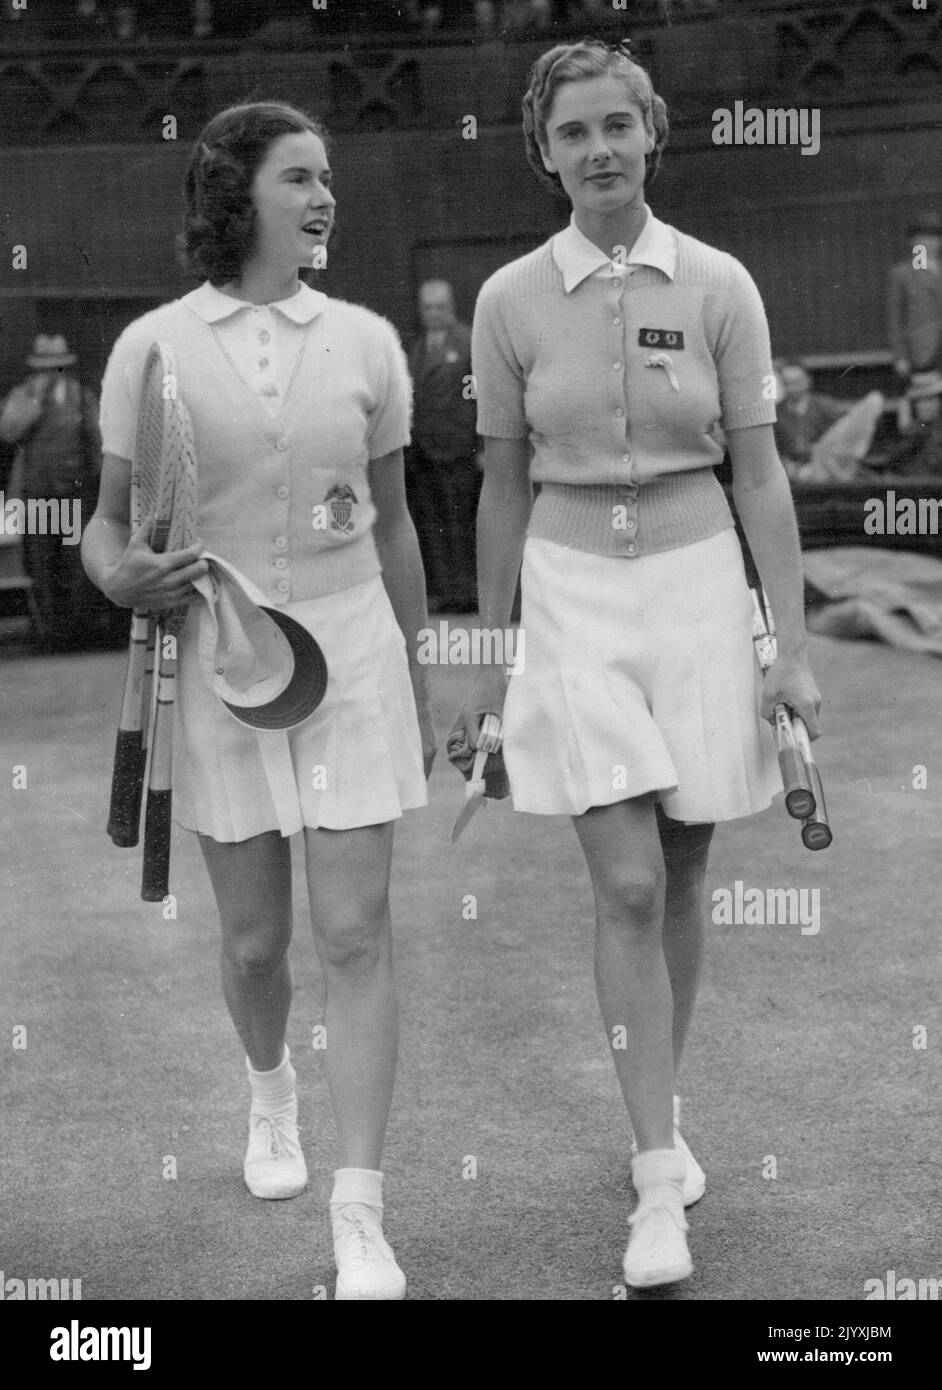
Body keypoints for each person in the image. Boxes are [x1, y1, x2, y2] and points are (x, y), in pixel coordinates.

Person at [458, 38, 821, 1290]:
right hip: (569, 595)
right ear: (543, 152)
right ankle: (658, 1176)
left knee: (681, 864)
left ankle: (652, 1108)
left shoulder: (721, 283)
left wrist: (794, 646)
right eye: (574, 134)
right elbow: (500, 488)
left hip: (699, 589)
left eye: (619, 125)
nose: (600, 150)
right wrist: (489, 656)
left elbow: (760, 472)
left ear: (654, 131)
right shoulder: (508, 301)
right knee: (619, 879)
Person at [81, 101, 435, 1301]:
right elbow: (106, 525)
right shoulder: (153, 348)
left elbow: (393, 524)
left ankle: (362, 1214)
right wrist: (116, 570)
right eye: (299, 178)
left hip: (353, 659)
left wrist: (422, 670)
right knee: (255, 941)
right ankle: (270, 1089)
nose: (324, 196)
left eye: (329, 177)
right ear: (236, 198)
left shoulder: (371, 344)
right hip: (219, 662)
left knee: (356, 933)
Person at [0, 333, 107, 650]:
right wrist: (35, 401)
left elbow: (98, 442)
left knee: (75, 564)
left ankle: (76, 633)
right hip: (37, 496)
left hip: (73, 495)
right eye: (45, 367)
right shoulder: (23, 395)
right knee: (41, 565)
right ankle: (48, 634)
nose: (51, 372)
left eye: (57, 366)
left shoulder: (79, 395)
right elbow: (8, 432)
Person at [406, 278, 480, 611]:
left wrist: (479, 447)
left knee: (460, 525)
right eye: (428, 308)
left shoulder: (468, 344)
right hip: (425, 454)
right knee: (432, 525)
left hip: (459, 454)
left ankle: (467, 594)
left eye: (440, 307)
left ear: (451, 307)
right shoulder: (417, 348)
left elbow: (477, 397)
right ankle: (447, 594)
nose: (434, 313)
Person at [887, 210, 942, 383]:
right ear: (912, 242)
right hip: (923, 353)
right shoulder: (902, 273)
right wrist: (900, 357)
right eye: (922, 238)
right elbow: (894, 319)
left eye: (934, 237)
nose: (929, 243)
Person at [772, 360, 851, 475]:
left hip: (825, 469)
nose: (792, 389)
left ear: (807, 381)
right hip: (789, 472)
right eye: (787, 383)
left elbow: (841, 441)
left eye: (796, 382)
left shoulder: (826, 407)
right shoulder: (776, 413)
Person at [883, 370, 942, 476]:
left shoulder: (936, 431)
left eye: (929, 399)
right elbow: (891, 469)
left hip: (933, 489)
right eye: (919, 401)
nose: (924, 406)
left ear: (939, 402)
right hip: (907, 489)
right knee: (889, 489)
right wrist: (905, 430)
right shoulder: (910, 430)